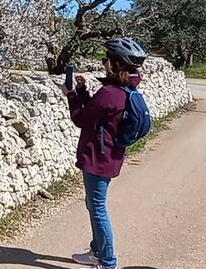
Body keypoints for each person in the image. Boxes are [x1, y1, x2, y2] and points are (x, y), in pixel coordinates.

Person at [61, 38, 148, 269]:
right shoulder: (124, 90)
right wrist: (82, 91)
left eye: (106, 60)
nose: (104, 63)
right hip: (110, 156)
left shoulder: (110, 92)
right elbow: (96, 114)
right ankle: (97, 251)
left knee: (98, 208)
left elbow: (81, 119)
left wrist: (70, 94)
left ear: (115, 64)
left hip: (98, 158)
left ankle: (107, 262)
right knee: (93, 203)